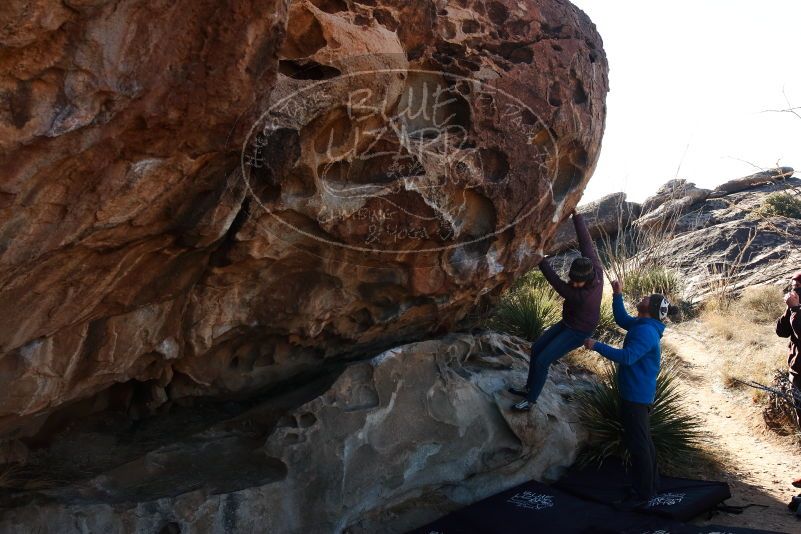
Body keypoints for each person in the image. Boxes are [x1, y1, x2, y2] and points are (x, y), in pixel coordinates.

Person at [583, 280, 678, 509]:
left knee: (639, 444)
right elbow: (622, 320)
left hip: (636, 396)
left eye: (647, 298)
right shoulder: (642, 324)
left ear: (651, 309)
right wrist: (617, 295)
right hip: (636, 393)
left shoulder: (646, 332)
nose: (643, 298)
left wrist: (595, 345)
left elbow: (627, 357)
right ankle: (651, 485)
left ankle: (644, 493)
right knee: (643, 441)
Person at [509, 209, 603, 412]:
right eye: (573, 280)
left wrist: (540, 259)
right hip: (568, 323)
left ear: (586, 281)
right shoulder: (593, 266)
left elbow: (555, 282)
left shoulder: (581, 295)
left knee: (544, 360)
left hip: (579, 331)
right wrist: (576, 215)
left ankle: (530, 401)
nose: (574, 284)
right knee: (536, 349)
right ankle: (528, 387)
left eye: (577, 283)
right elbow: (586, 243)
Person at [777, 271, 801, 489]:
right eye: (794, 286)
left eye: (799, 287)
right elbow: (782, 332)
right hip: (797, 372)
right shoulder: (795, 308)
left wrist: (795, 309)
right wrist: (789, 309)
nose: (795, 290)